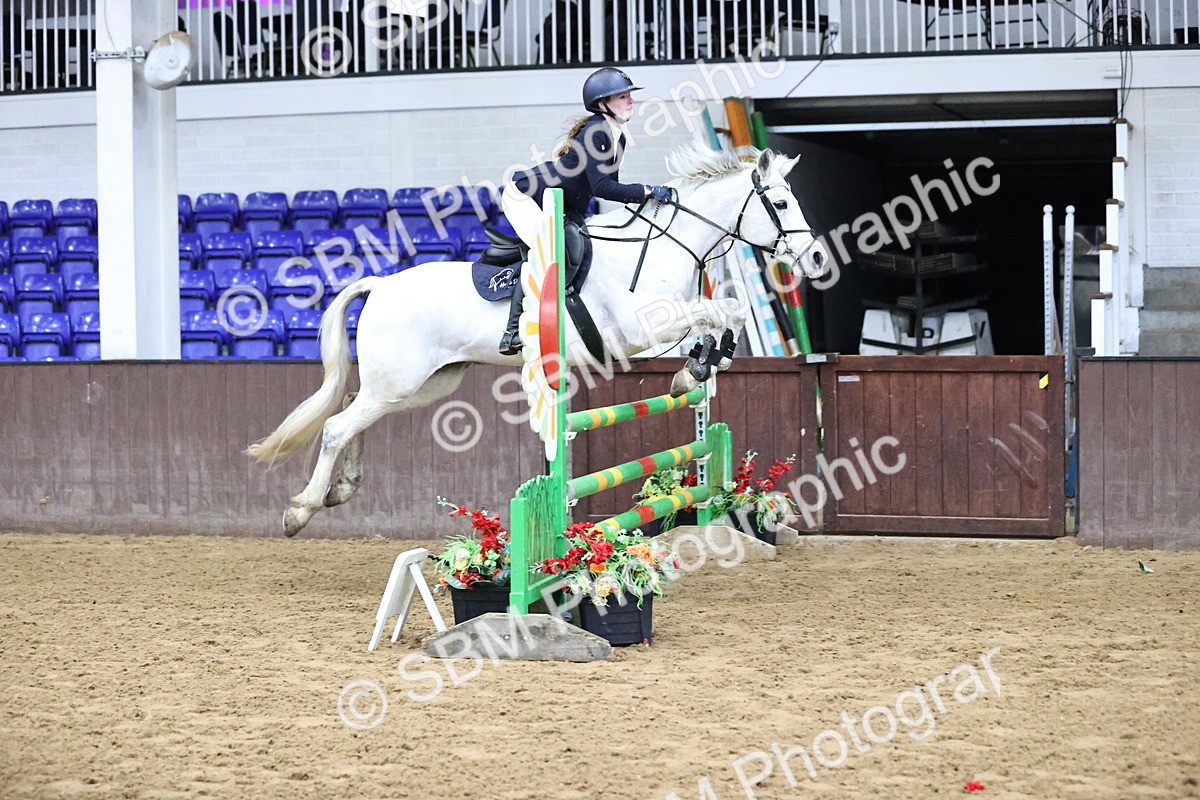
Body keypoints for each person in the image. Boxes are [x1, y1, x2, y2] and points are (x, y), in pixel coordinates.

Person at [497, 66, 673, 355]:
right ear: (602, 104)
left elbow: (610, 186)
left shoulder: (619, 136)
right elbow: (602, 187)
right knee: (550, 251)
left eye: (629, 95)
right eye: (622, 96)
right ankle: (512, 330)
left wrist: (646, 197)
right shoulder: (596, 132)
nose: (630, 100)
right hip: (525, 197)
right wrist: (648, 191)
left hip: (563, 202)